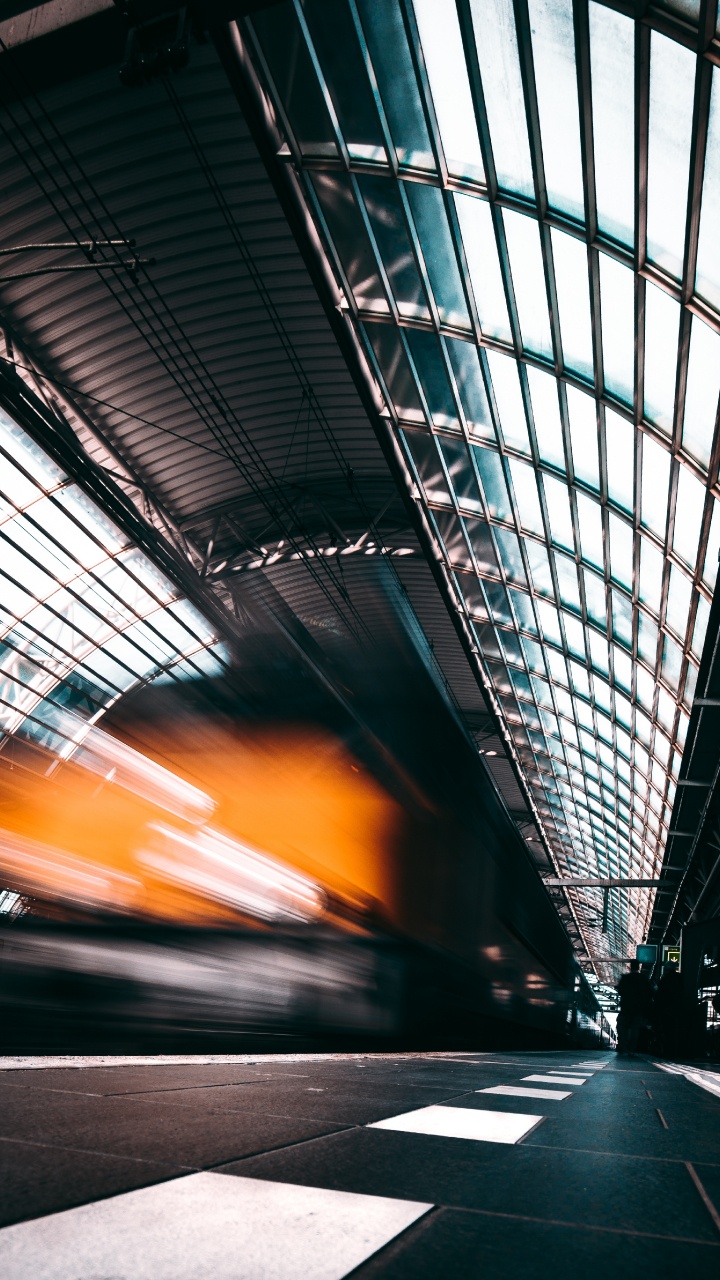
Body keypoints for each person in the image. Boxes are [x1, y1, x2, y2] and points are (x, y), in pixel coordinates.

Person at [616, 959, 651, 1055]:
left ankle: (624, 1048)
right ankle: (631, 1049)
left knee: (623, 1027)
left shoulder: (625, 978)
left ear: (630, 967)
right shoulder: (644, 979)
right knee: (635, 1029)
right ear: (638, 967)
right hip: (639, 1009)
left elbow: (620, 991)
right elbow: (649, 994)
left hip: (626, 1008)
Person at [653, 960, 683, 1058]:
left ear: (667, 969)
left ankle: (666, 1051)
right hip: (676, 1009)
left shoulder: (665, 979)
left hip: (665, 1009)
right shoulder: (679, 978)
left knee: (665, 1031)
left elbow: (660, 995)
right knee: (673, 1031)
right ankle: (673, 1051)